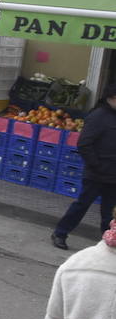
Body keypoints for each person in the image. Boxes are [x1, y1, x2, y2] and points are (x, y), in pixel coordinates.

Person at [51, 82, 116, 250]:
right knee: (82, 205)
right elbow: (84, 144)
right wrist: (96, 165)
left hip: (113, 174)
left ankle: (108, 244)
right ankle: (60, 232)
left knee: (109, 213)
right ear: (112, 98)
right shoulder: (99, 116)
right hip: (96, 172)